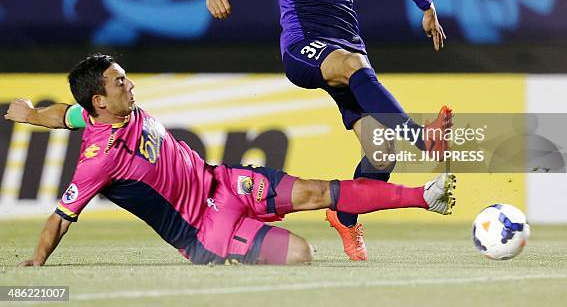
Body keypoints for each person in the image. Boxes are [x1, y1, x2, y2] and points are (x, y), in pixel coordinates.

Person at [205, 0, 451, 261]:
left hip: (348, 47)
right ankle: (420, 137)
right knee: (356, 73)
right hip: (303, 47)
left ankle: (346, 220)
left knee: (381, 152)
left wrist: (426, 5)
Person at [4, 54, 456, 267]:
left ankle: (423, 196)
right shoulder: (97, 160)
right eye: (121, 82)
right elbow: (62, 216)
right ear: (102, 99)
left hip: (224, 181)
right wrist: (37, 262)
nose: (132, 85)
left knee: (320, 191)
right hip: (206, 231)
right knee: (301, 254)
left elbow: (62, 114)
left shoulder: (102, 111)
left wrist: (26, 114)